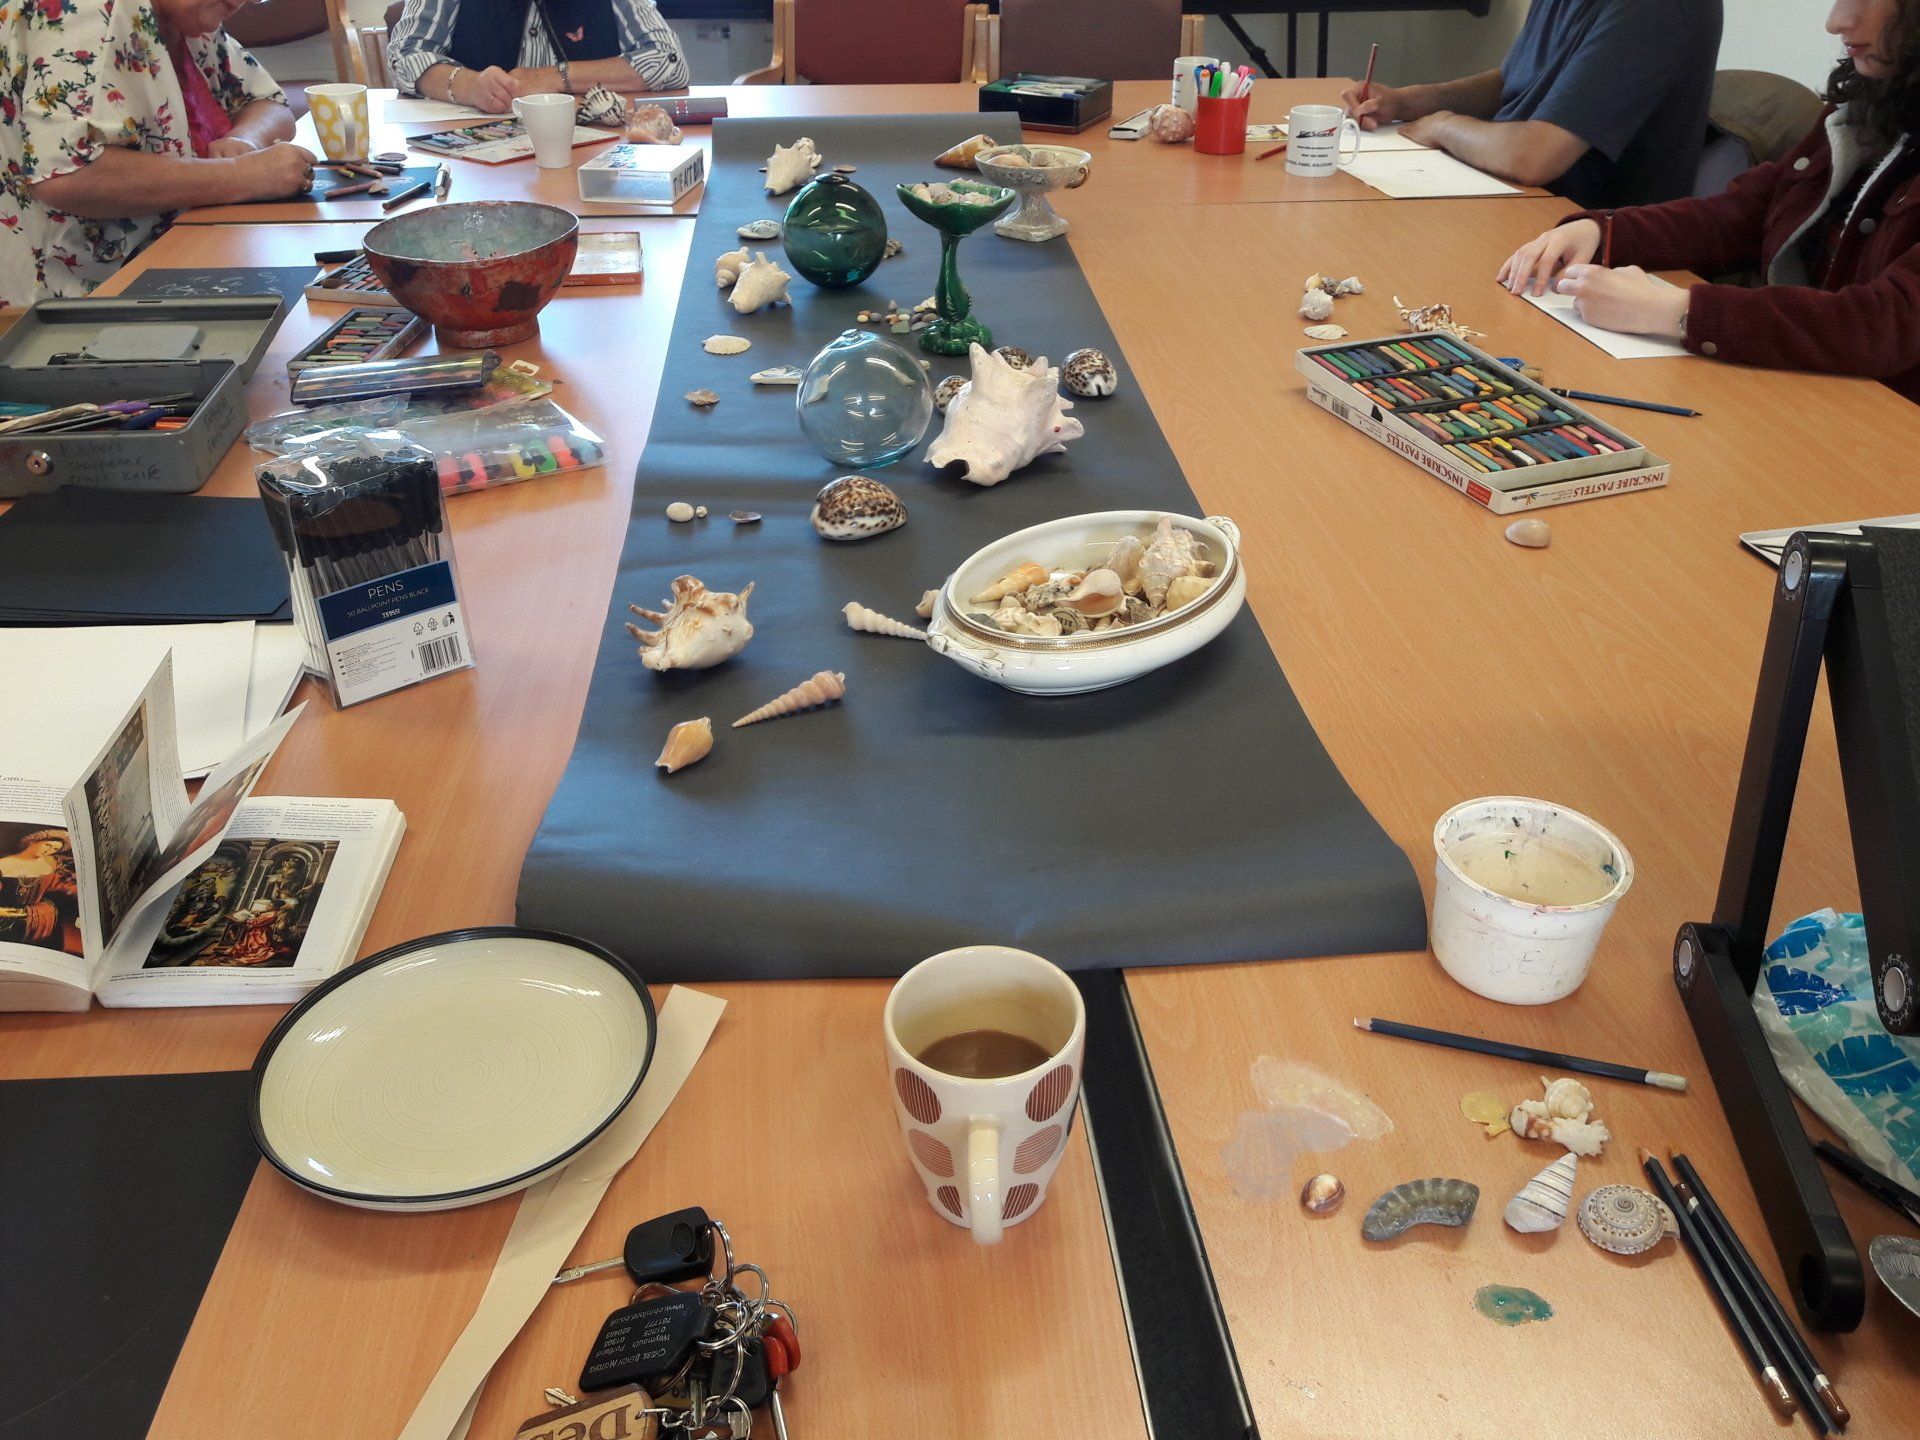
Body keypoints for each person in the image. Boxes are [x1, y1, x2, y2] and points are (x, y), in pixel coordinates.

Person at [1496, 0, 1920, 400]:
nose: (1835, 22)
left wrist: (1682, 312)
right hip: (1811, 393)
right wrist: (1604, 231)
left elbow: (1889, 321)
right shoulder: (1876, 98)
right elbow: (1748, 214)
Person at [1, 0, 314, 310]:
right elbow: (69, 174)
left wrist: (244, 139)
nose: (238, 3)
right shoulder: (89, 8)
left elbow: (269, 102)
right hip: (59, 301)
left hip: (162, 265)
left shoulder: (185, 19)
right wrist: (241, 175)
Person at [1339, 0, 1724, 207]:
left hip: (1586, 242)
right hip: (1511, 201)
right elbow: (1516, 81)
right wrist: (1410, 101)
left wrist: (1443, 125)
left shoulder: (1653, 9)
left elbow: (1534, 157)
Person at [390, 0, 690, 115]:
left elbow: (668, 60)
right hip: (475, 165)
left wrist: (553, 77)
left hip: (588, 153)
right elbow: (405, 54)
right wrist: (470, 85)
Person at [0, 830, 83, 958]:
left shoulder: (51, 863)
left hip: (38, 915)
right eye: (48, 845)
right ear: (32, 841)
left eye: (55, 849)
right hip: (6, 914)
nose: (49, 850)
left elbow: (62, 886)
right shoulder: (4, 863)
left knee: (49, 913)